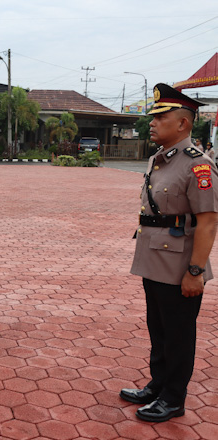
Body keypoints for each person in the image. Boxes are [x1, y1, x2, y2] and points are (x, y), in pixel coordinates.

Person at [122, 83, 218, 422]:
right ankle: (158, 385)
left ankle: (174, 398)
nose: (152, 122)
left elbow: (207, 223)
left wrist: (195, 272)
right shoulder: (160, 160)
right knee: (158, 329)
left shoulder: (199, 165)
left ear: (183, 124)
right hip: (154, 260)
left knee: (178, 334)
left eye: (161, 117)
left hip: (180, 266)